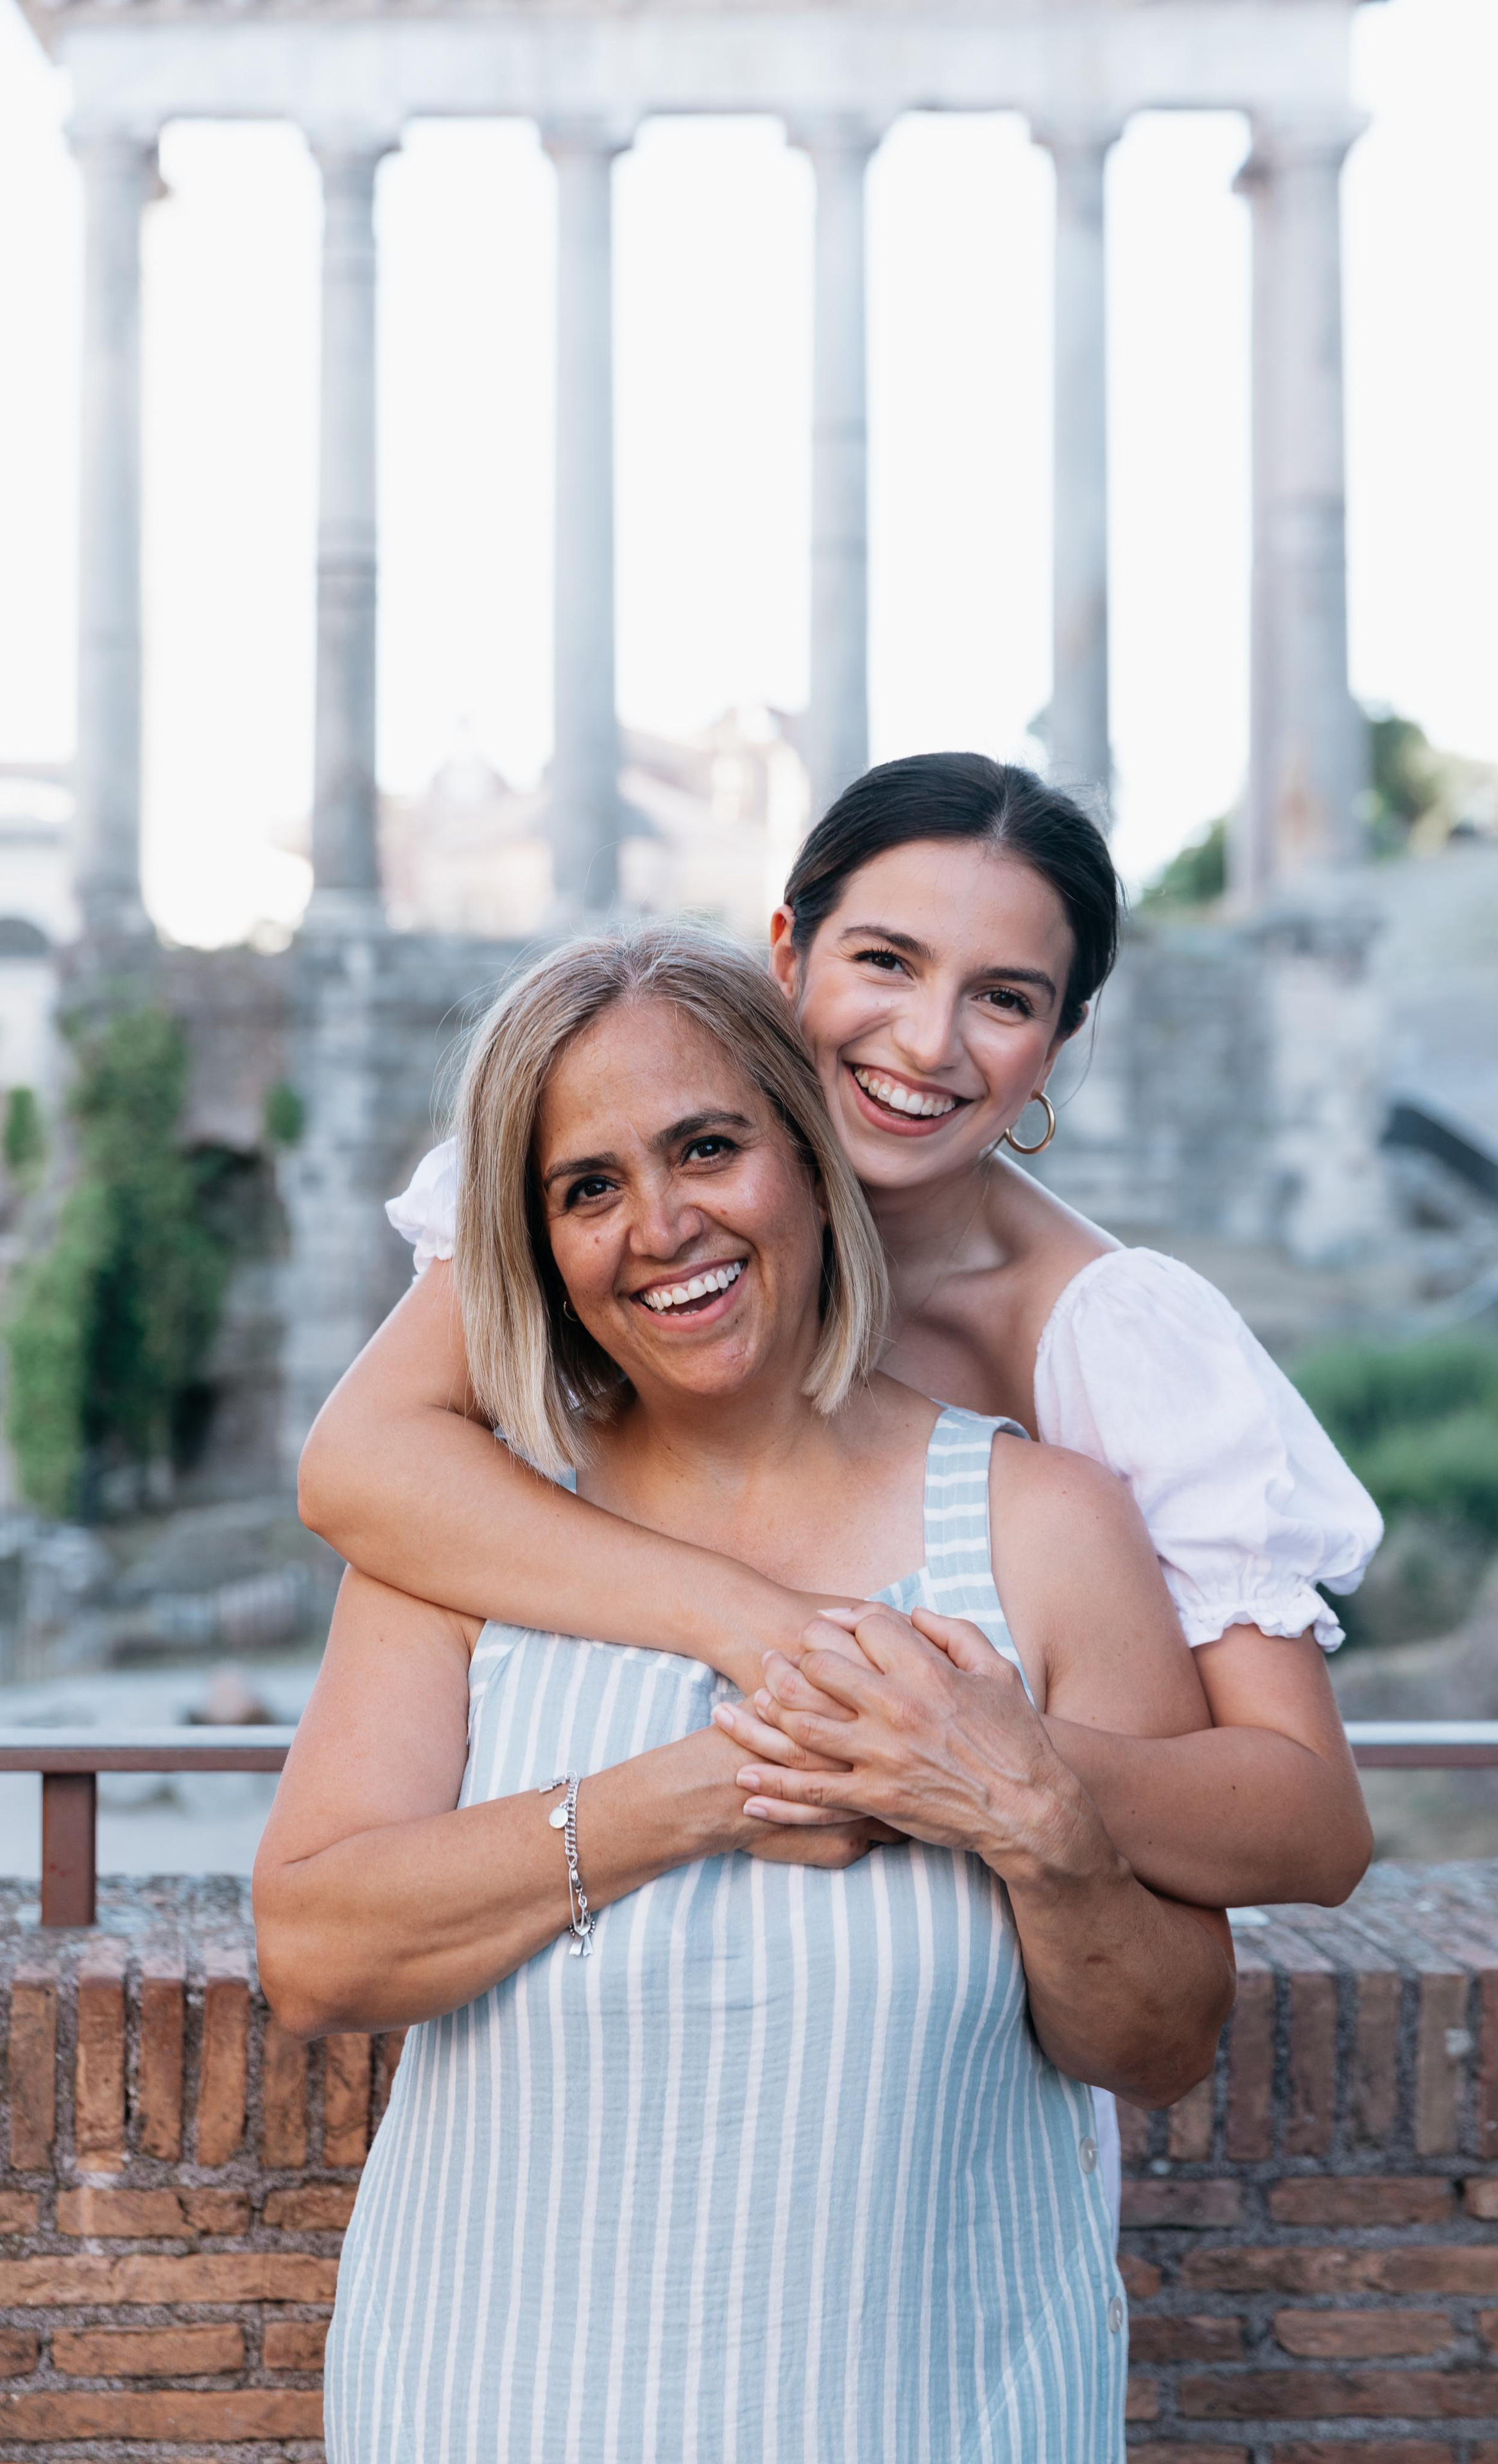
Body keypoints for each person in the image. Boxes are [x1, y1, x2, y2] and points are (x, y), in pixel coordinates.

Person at [300, 751, 1378, 2211]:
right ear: (787, 952)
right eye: (885, 961)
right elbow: (361, 1462)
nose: (926, 1042)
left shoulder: (1108, 1340)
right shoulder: (625, 1171)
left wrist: (965, 1754)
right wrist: (769, 1635)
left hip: (937, 2121)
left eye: (1003, 998)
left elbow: (1306, 1821)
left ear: (1056, 1043)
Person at [254, 926, 1235, 2461]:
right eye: (587, 1189)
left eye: (706, 1147)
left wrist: (1037, 1817)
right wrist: (700, 1795)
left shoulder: (1049, 1529)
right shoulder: (465, 1529)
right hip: (494, 2408)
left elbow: (1161, 2043)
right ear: (537, 1242)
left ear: (804, 1152)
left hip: (933, 2419)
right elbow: (315, 1950)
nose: (659, 1226)